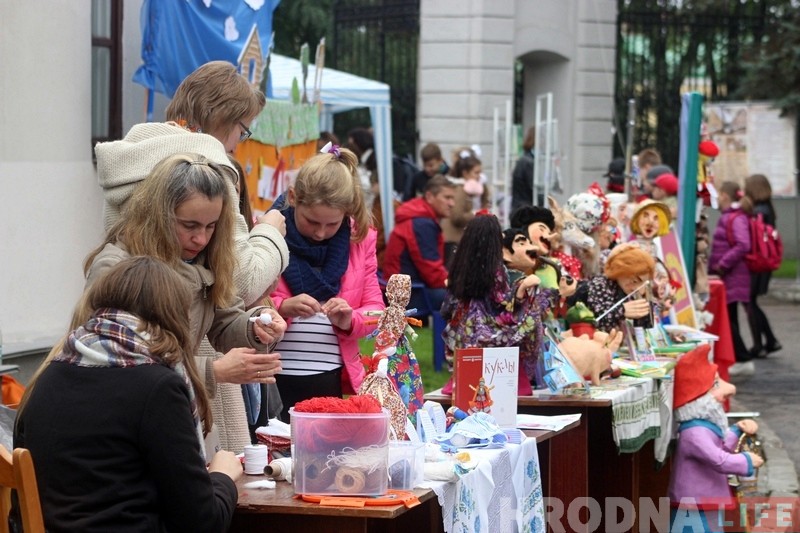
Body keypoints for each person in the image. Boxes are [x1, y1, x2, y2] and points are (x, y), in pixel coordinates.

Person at [95, 60, 290, 452]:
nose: (201, 239)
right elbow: (243, 279)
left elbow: (220, 306)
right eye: (242, 129)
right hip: (174, 390)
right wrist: (270, 233)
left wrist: (251, 328)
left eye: (211, 227)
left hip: (186, 382)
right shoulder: (208, 168)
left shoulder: (136, 157)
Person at [14, 257, 244, 532]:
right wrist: (222, 476)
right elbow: (201, 523)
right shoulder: (157, 387)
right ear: (175, 315)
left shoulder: (48, 375)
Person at [85, 154, 286, 437]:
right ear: (157, 215)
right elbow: (120, 363)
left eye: (211, 226)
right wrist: (212, 371)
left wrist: (256, 325)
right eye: (189, 226)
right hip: (125, 424)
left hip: (176, 414)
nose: (201, 239)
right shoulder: (116, 267)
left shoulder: (207, 258)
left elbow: (225, 321)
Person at [269, 144, 385, 420]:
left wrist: (349, 319)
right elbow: (245, 299)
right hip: (273, 375)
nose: (320, 233)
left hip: (330, 375)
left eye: (332, 224)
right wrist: (282, 307)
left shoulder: (360, 240)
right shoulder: (269, 233)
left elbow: (376, 311)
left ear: (347, 212)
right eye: (311, 222)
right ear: (293, 197)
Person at [440, 215, 556, 394]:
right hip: (488, 331)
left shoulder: (458, 267)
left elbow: (447, 307)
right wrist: (521, 290)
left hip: (461, 332)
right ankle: (521, 377)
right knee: (532, 316)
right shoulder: (495, 269)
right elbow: (501, 301)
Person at [668, 343, 762, 532]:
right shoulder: (694, 434)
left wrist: (736, 430)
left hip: (705, 498)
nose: (729, 390)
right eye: (716, 384)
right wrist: (746, 460)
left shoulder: (703, 427)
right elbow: (718, 459)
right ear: (699, 397)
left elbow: (719, 447)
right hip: (694, 501)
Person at [383, 174, 456, 313]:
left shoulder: (419, 217)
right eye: (447, 198)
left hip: (404, 290)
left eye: (453, 198)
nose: (452, 204)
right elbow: (432, 273)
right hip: (407, 295)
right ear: (429, 197)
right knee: (461, 299)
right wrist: (458, 284)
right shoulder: (422, 223)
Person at [709, 181, 753, 377]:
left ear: (725, 196)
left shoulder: (734, 218)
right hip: (731, 276)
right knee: (731, 317)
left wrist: (722, 264)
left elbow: (743, 244)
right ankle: (740, 358)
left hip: (732, 275)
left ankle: (743, 358)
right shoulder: (732, 216)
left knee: (729, 319)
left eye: (719, 194)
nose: (717, 198)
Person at [743, 174, 782, 359]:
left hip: (757, 261)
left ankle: (761, 343)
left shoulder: (758, 211)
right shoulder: (768, 209)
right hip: (765, 260)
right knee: (752, 302)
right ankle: (769, 340)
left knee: (750, 302)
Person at [581, 242, 656, 333]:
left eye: (643, 283)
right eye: (634, 281)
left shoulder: (629, 292)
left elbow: (644, 327)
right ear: (621, 270)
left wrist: (647, 312)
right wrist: (622, 311)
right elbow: (595, 321)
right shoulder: (600, 285)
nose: (638, 288)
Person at [441, 152, 486, 264]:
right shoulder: (460, 190)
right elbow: (457, 216)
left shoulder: (464, 190)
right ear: (465, 173)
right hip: (453, 240)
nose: (479, 176)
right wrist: (475, 214)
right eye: (476, 172)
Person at [512, 126, 542, 208]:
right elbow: (534, 189)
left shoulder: (525, 159)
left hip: (521, 207)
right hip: (525, 208)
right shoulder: (528, 162)